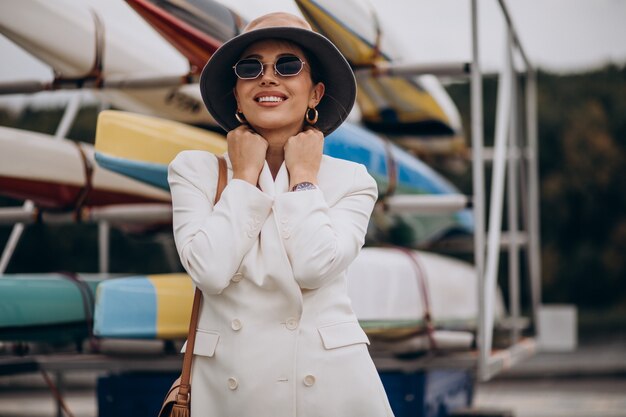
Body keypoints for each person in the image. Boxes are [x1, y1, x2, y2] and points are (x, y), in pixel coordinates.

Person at [168, 12, 394, 417]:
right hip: (226, 391)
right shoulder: (194, 170)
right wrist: (242, 178)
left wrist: (304, 178)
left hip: (328, 392)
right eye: (250, 67)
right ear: (236, 94)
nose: (268, 78)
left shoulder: (352, 180)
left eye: (288, 65)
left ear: (315, 93)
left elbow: (313, 266)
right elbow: (209, 271)